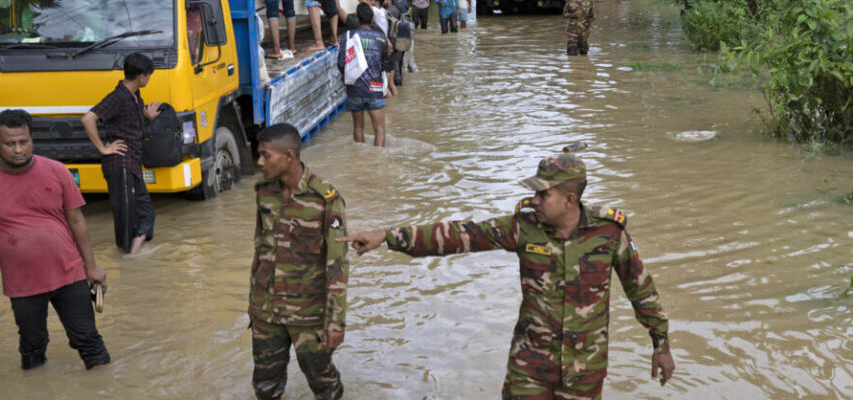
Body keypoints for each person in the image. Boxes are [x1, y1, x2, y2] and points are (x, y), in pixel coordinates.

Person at [338, 153, 676, 399]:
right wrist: (388, 236)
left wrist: (661, 345)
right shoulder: (522, 228)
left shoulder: (609, 234)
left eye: (544, 194)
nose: (535, 200)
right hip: (529, 367)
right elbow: (460, 235)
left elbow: (641, 291)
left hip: (584, 372)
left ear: (569, 199)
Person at [0, 109, 110, 371]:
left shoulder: (56, 171)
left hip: (70, 274)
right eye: (10, 144)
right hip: (23, 285)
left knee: (88, 340)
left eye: (24, 141)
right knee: (32, 346)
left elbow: (77, 221)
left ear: (32, 139)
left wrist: (92, 266)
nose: (18, 149)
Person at [248, 123, 349, 400]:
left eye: (265, 155)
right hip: (266, 311)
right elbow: (260, 249)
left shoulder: (325, 198)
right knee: (265, 387)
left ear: (289, 156)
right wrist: (252, 304)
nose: (259, 162)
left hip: (309, 315)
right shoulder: (264, 192)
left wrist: (335, 322)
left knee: (324, 385)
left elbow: (337, 265)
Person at [82, 53, 160, 254]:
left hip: (133, 164)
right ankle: (127, 257)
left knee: (145, 213)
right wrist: (103, 148)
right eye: (149, 76)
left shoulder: (134, 96)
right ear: (141, 77)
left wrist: (146, 114)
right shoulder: (117, 97)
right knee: (126, 218)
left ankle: (131, 260)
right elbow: (88, 119)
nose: (149, 79)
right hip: (120, 165)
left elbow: (131, 114)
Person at [337, 2, 396, 147]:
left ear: (357, 18)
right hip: (375, 89)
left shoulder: (348, 35)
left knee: (358, 128)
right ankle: (377, 162)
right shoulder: (381, 39)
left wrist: (344, 75)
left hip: (355, 89)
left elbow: (341, 62)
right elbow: (385, 65)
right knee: (380, 130)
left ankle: (360, 160)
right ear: (372, 20)